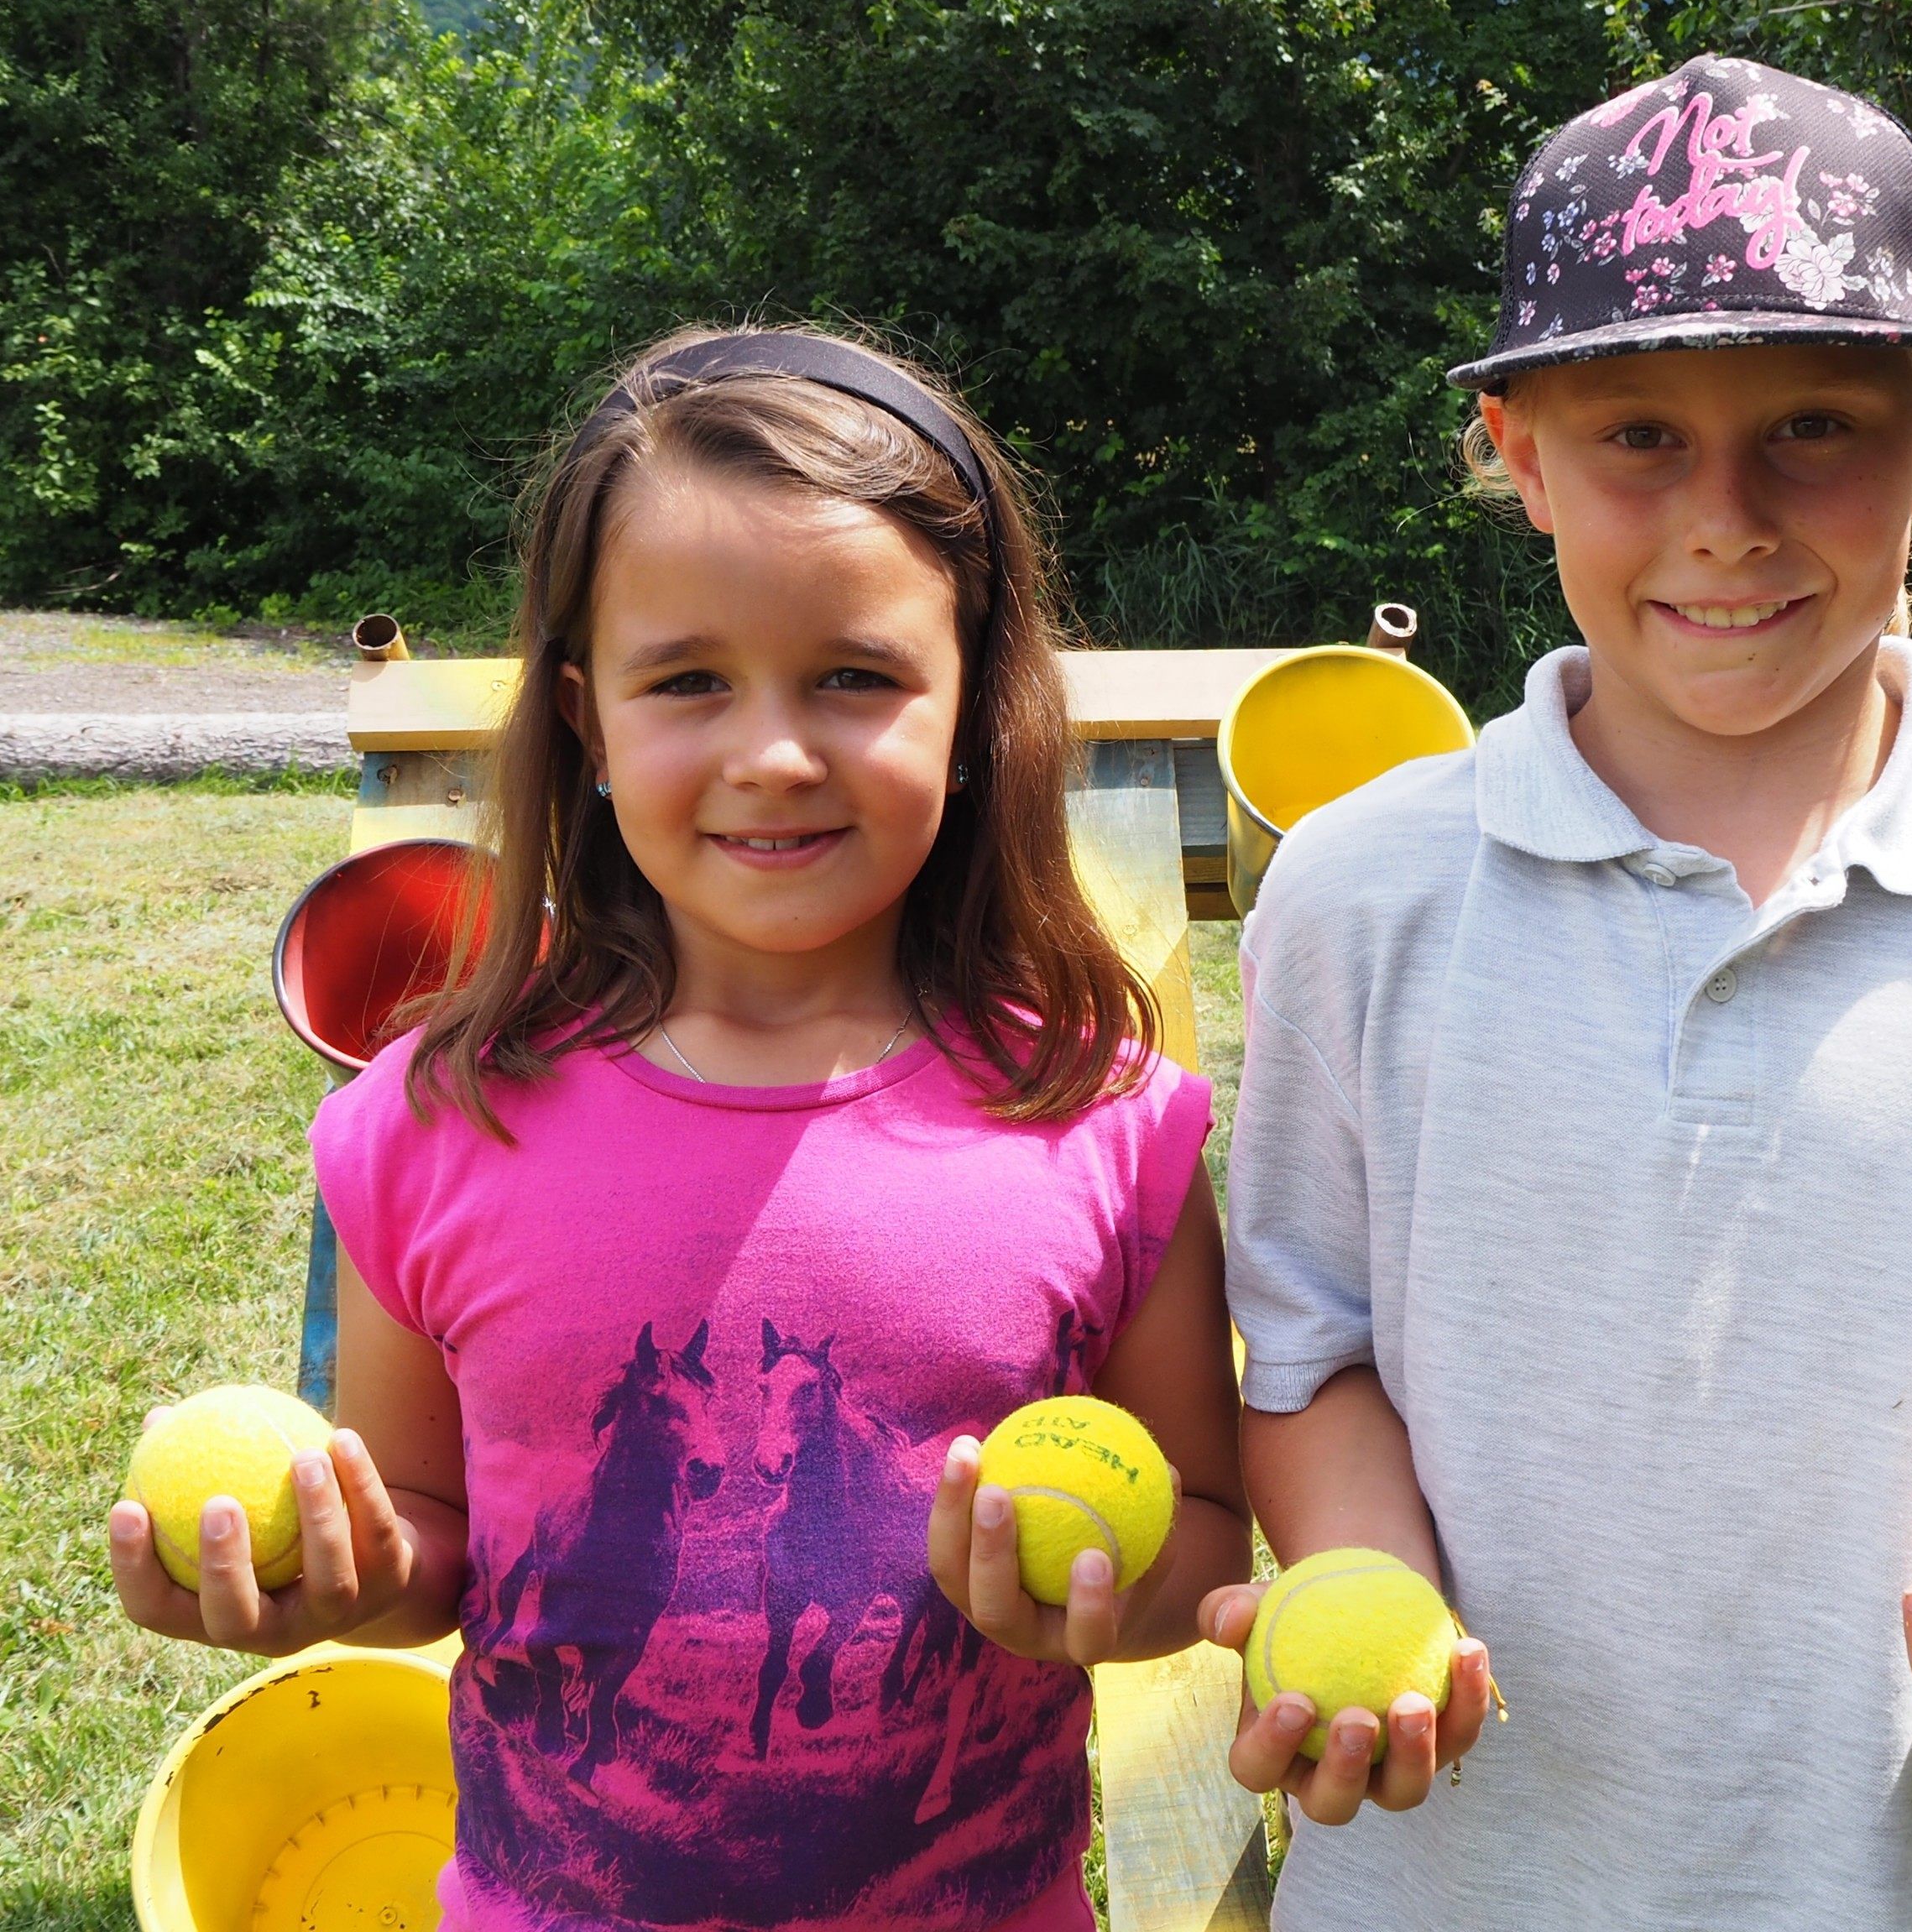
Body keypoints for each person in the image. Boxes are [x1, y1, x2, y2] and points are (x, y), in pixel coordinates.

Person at [1202, 55, 1912, 1930]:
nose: (1725, 519)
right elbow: (1310, 1356)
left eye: (1809, 430)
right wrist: (1369, 1600)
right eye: (1634, 437)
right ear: (1516, 450)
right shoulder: (1360, 896)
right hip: (1462, 1884)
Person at [108, 326, 1250, 1932]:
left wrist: (1113, 1599)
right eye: (689, 679)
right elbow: (437, 1537)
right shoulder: (438, 1122)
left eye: (854, 676)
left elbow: (1205, 1526)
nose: (773, 755)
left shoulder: (1106, 1124)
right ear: (583, 714)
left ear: (975, 701)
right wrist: (349, 1583)